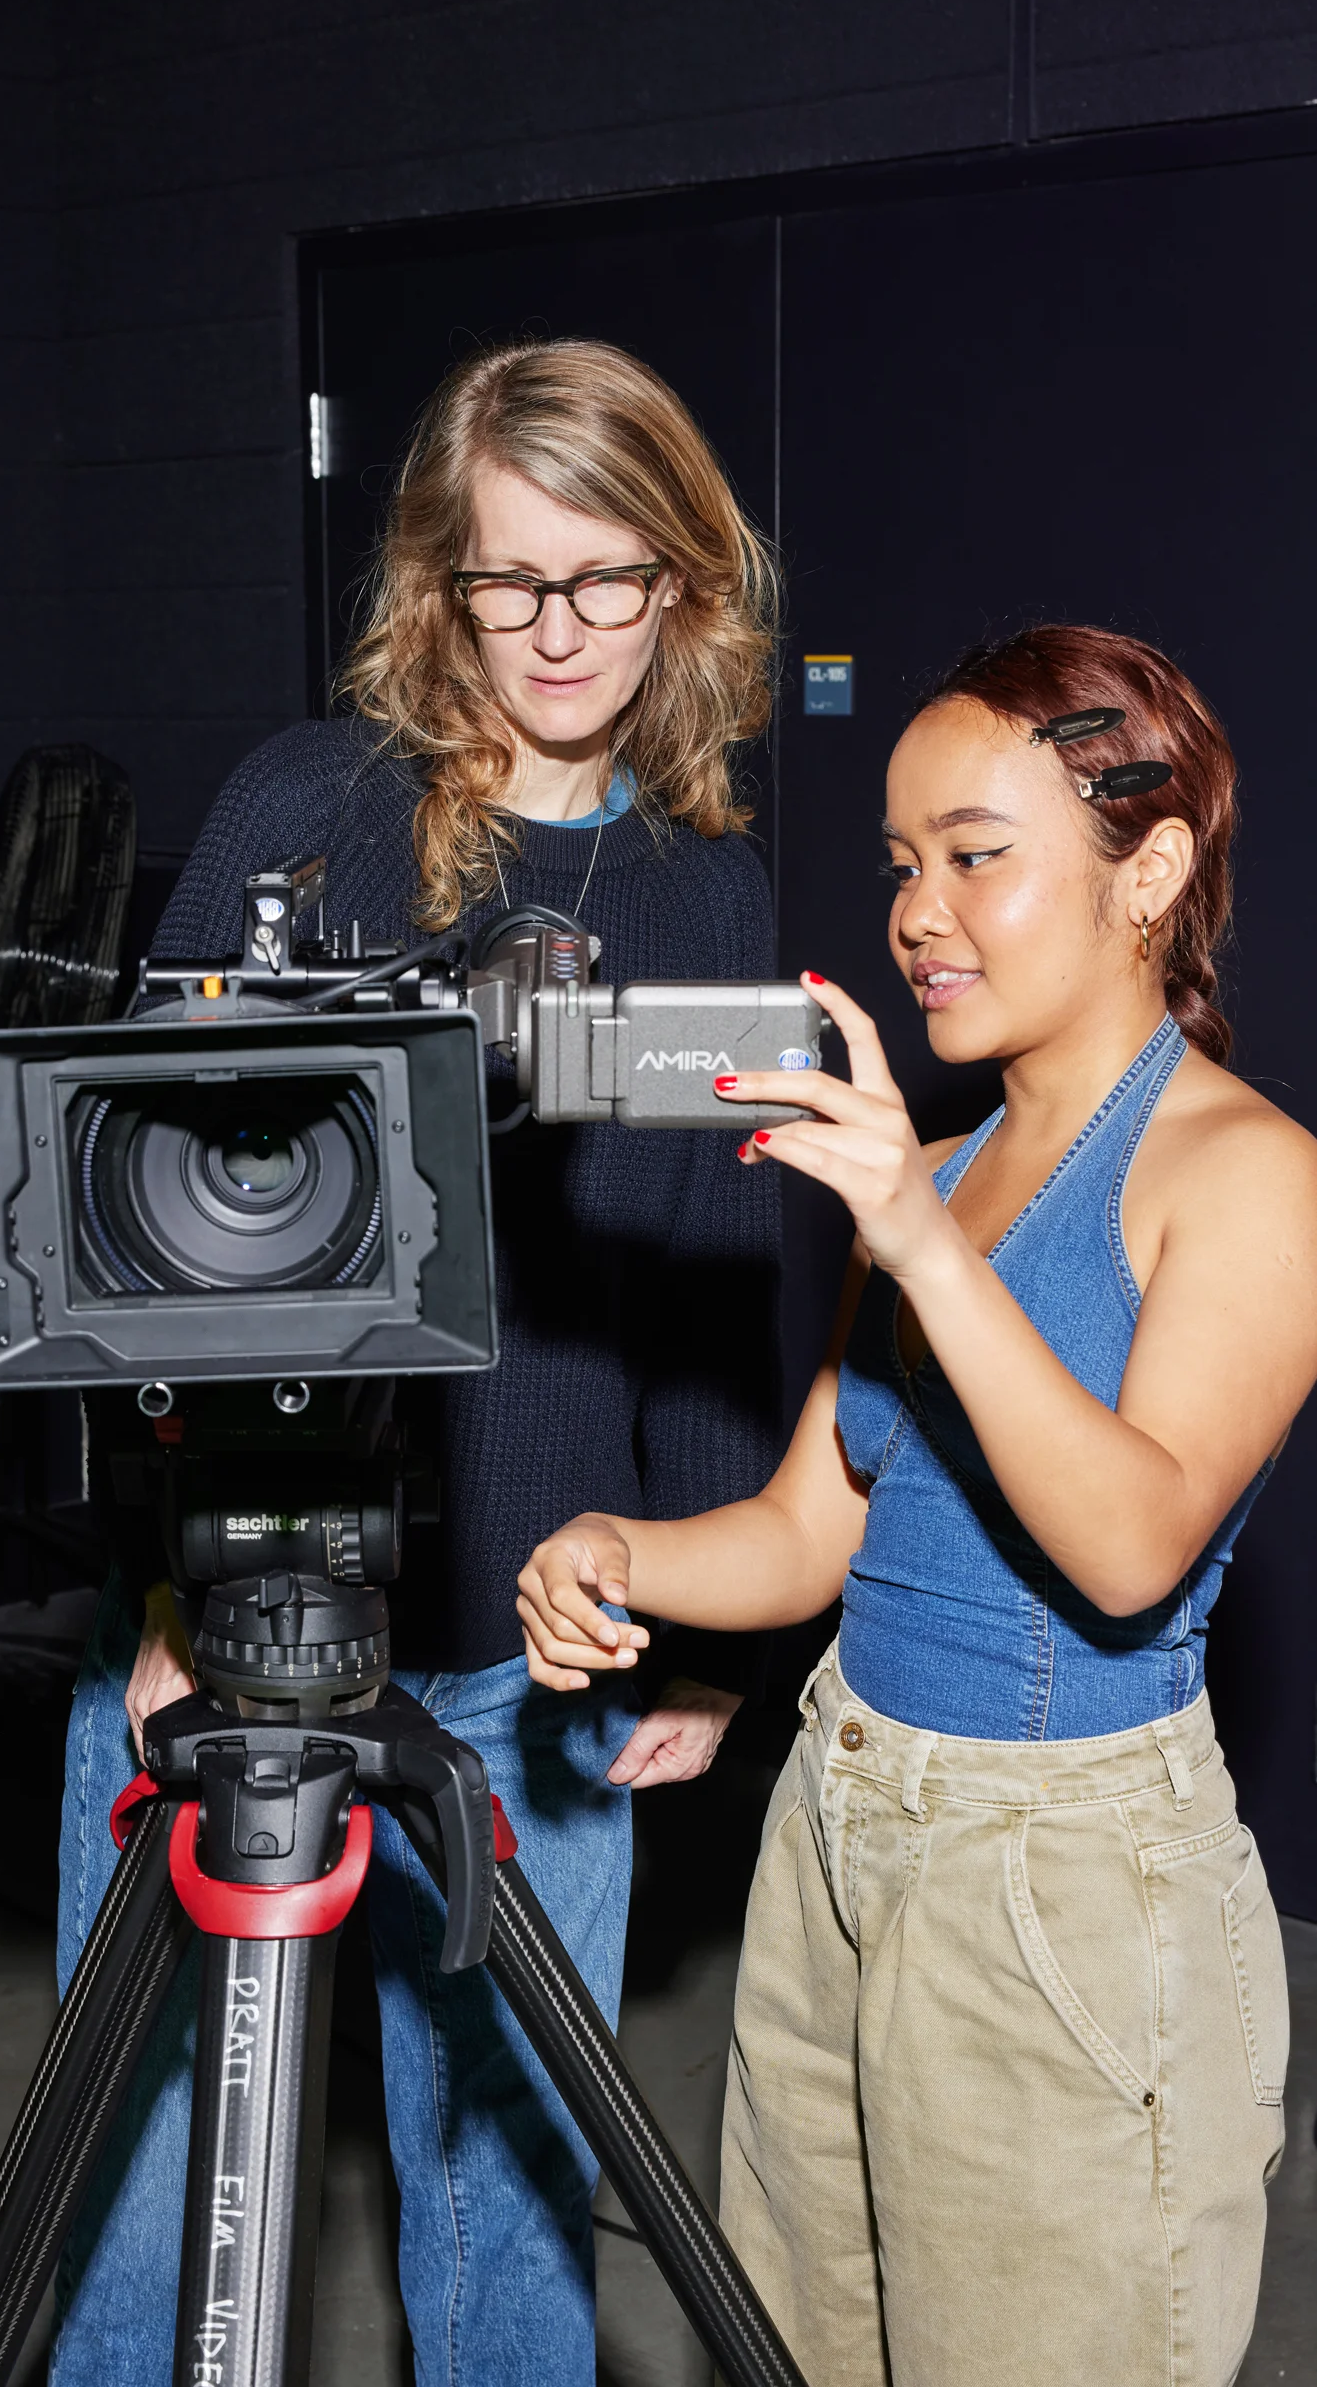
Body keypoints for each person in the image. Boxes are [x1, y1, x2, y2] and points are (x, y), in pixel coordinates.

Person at [53, 339, 789, 2387]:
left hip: (534, 1637)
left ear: (682, 581)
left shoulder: (701, 878)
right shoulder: (304, 805)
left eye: (605, 576)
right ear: (432, 585)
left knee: (507, 2181)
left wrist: (711, 1622)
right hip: (249, 1591)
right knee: (139, 2178)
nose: (556, 633)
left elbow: (712, 1274)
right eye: (504, 581)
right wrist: (177, 1584)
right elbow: (139, 1230)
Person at [515, 622, 1316, 2387]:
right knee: (801, 2344)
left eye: (977, 857)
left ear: (1150, 868)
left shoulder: (1250, 1176)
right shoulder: (937, 1167)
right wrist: (613, 1549)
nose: (917, 913)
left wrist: (915, 1244)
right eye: (900, 866)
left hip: (1065, 1876)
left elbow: (1131, 1545)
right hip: (839, 1825)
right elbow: (816, 1529)